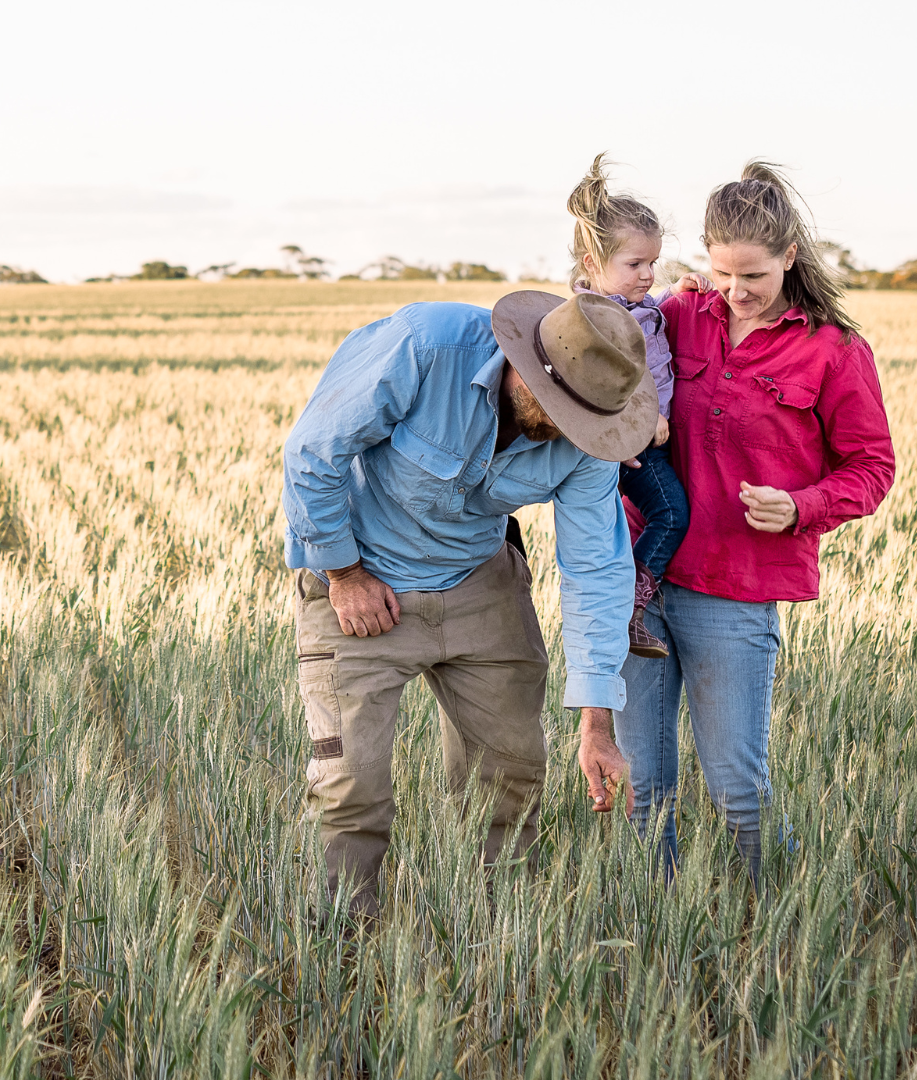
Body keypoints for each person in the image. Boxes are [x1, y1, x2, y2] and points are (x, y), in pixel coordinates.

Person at [282, 290, 657, 919]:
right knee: (352, 786)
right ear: (527, 364)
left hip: (478, 581)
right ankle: (343, 948)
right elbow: (313, 452)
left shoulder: (595, 439)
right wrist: (344, 574)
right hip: (360, 574)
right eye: (563, 410)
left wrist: (598, 723)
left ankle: (492, 933)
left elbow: (595, 571)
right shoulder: (426, 345)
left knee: (511, 776)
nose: (573, 432)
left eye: (587, 421)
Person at [616, 162, 896, 887]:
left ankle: (774, 926)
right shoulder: (678, 316)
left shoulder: (834, 351)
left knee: (738, 791)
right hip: (638, 583)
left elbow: (872, 468)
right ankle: (658, 927)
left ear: (790, 258)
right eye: (721, 275)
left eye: (754, 278)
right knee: (644, 792)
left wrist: (801, 506)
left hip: (734, 593)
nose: (735, 294)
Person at [565, 153, 696, 660]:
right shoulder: (591, 319)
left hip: (643, 441)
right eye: (635, 264)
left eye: (652, 264)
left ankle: (625, 608)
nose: (647, 274)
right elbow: (594, 389)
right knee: (669, 515)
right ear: (592, 265)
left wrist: (671, 294)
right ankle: (630, 612)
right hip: (630, 447)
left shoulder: (627, 305)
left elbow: (642, 321)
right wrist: (640, 422)